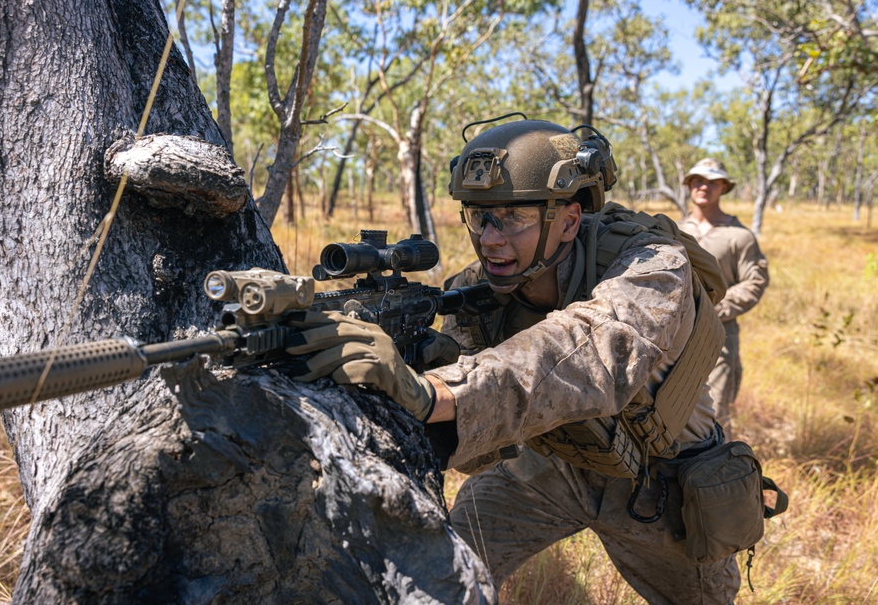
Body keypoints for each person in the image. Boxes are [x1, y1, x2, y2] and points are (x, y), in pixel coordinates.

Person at [285, 118, 752, 603]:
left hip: (661, 478)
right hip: (550, 462)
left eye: (513, 217)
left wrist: (442, 390)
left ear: (569, 220)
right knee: (440, 565)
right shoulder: (474, 290)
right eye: (479, 217)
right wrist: (424, 364)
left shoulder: (652, 264)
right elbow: (480, 442)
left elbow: (591, 353)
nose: (489, 239)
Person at [677, 158, 769, 439]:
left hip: (718, 336)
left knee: (715, 415)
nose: (703, 186)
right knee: (671, 409)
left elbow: (755, 281)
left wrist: (713, 310)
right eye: (697, 180)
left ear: (723, 187)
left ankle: (718, 476)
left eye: (712, 182)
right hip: (674, 335)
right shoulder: (673, 230)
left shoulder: (738, 236)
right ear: (689, 185)